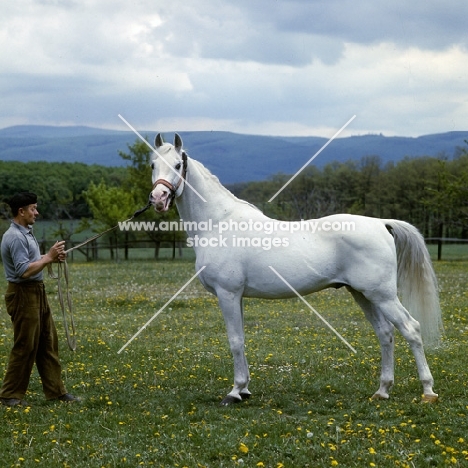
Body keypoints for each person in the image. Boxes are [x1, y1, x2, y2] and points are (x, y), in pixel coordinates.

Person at [0, 192, 79, 406]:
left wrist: (49, 258)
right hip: (23, 293)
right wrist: (49, 258)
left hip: (37, 291)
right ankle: (9, 395)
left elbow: (34, 262)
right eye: (33, 208)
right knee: (26, 344)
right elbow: (23, 271)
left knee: (47, 342)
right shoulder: (15, 237)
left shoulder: (26, 232)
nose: (37, 212)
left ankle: (56, 392)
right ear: (21, 211)